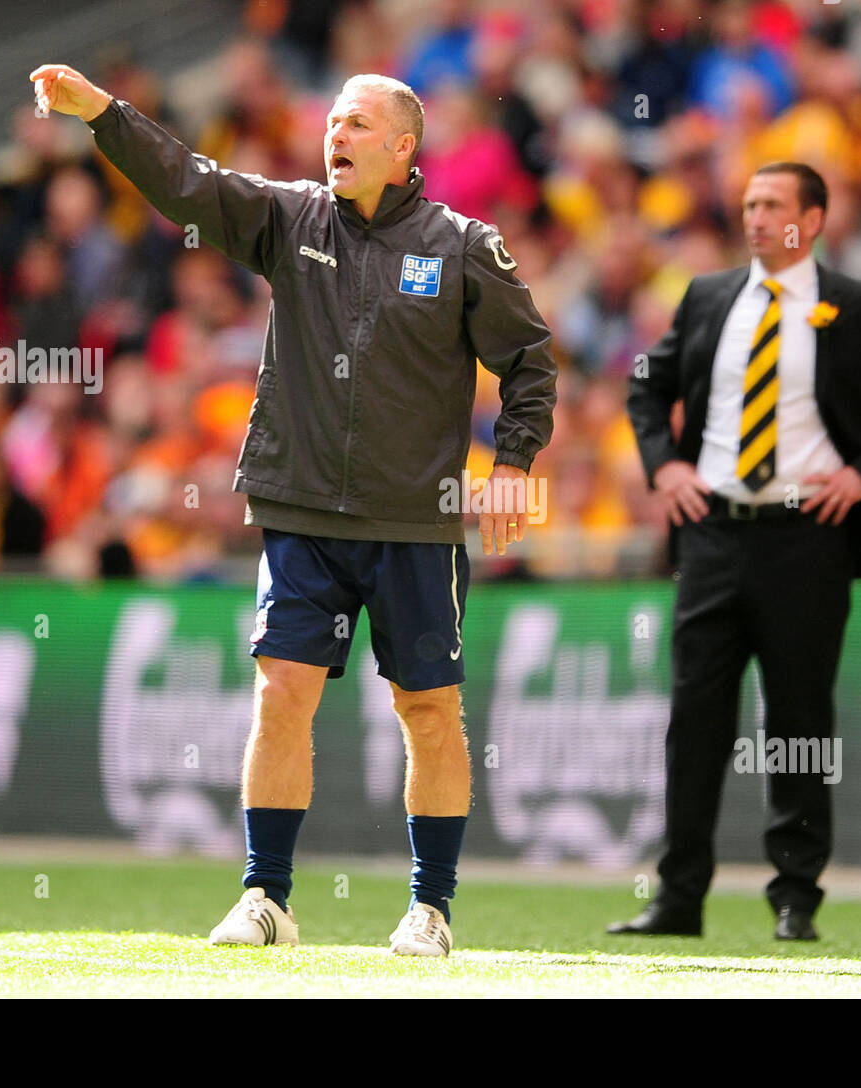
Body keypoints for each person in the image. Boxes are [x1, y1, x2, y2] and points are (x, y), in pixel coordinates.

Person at [29, 64, 557, 956]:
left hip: (416, 524)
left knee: (428, 711)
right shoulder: (291, 218)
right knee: (281, 693)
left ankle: (430, 909)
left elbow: (531, 362)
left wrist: (511, 464)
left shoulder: (465, 245)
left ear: (403, 146)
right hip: (303, 510)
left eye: (357, 124)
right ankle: (266, 897)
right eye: (331, 123)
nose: (335, 137)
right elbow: (186, 182)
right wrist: (105, 116)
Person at [614, 162, 861, 940]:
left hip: (809, 540)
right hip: (711, 534)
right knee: (694, 717)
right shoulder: (707, 296)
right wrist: (663, 464)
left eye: (772, 205)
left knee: (798, 719)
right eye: (748, 205)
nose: (756, 218)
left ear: (816, 218)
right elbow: (645, 384)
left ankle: (796, 897)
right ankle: (678, 898)